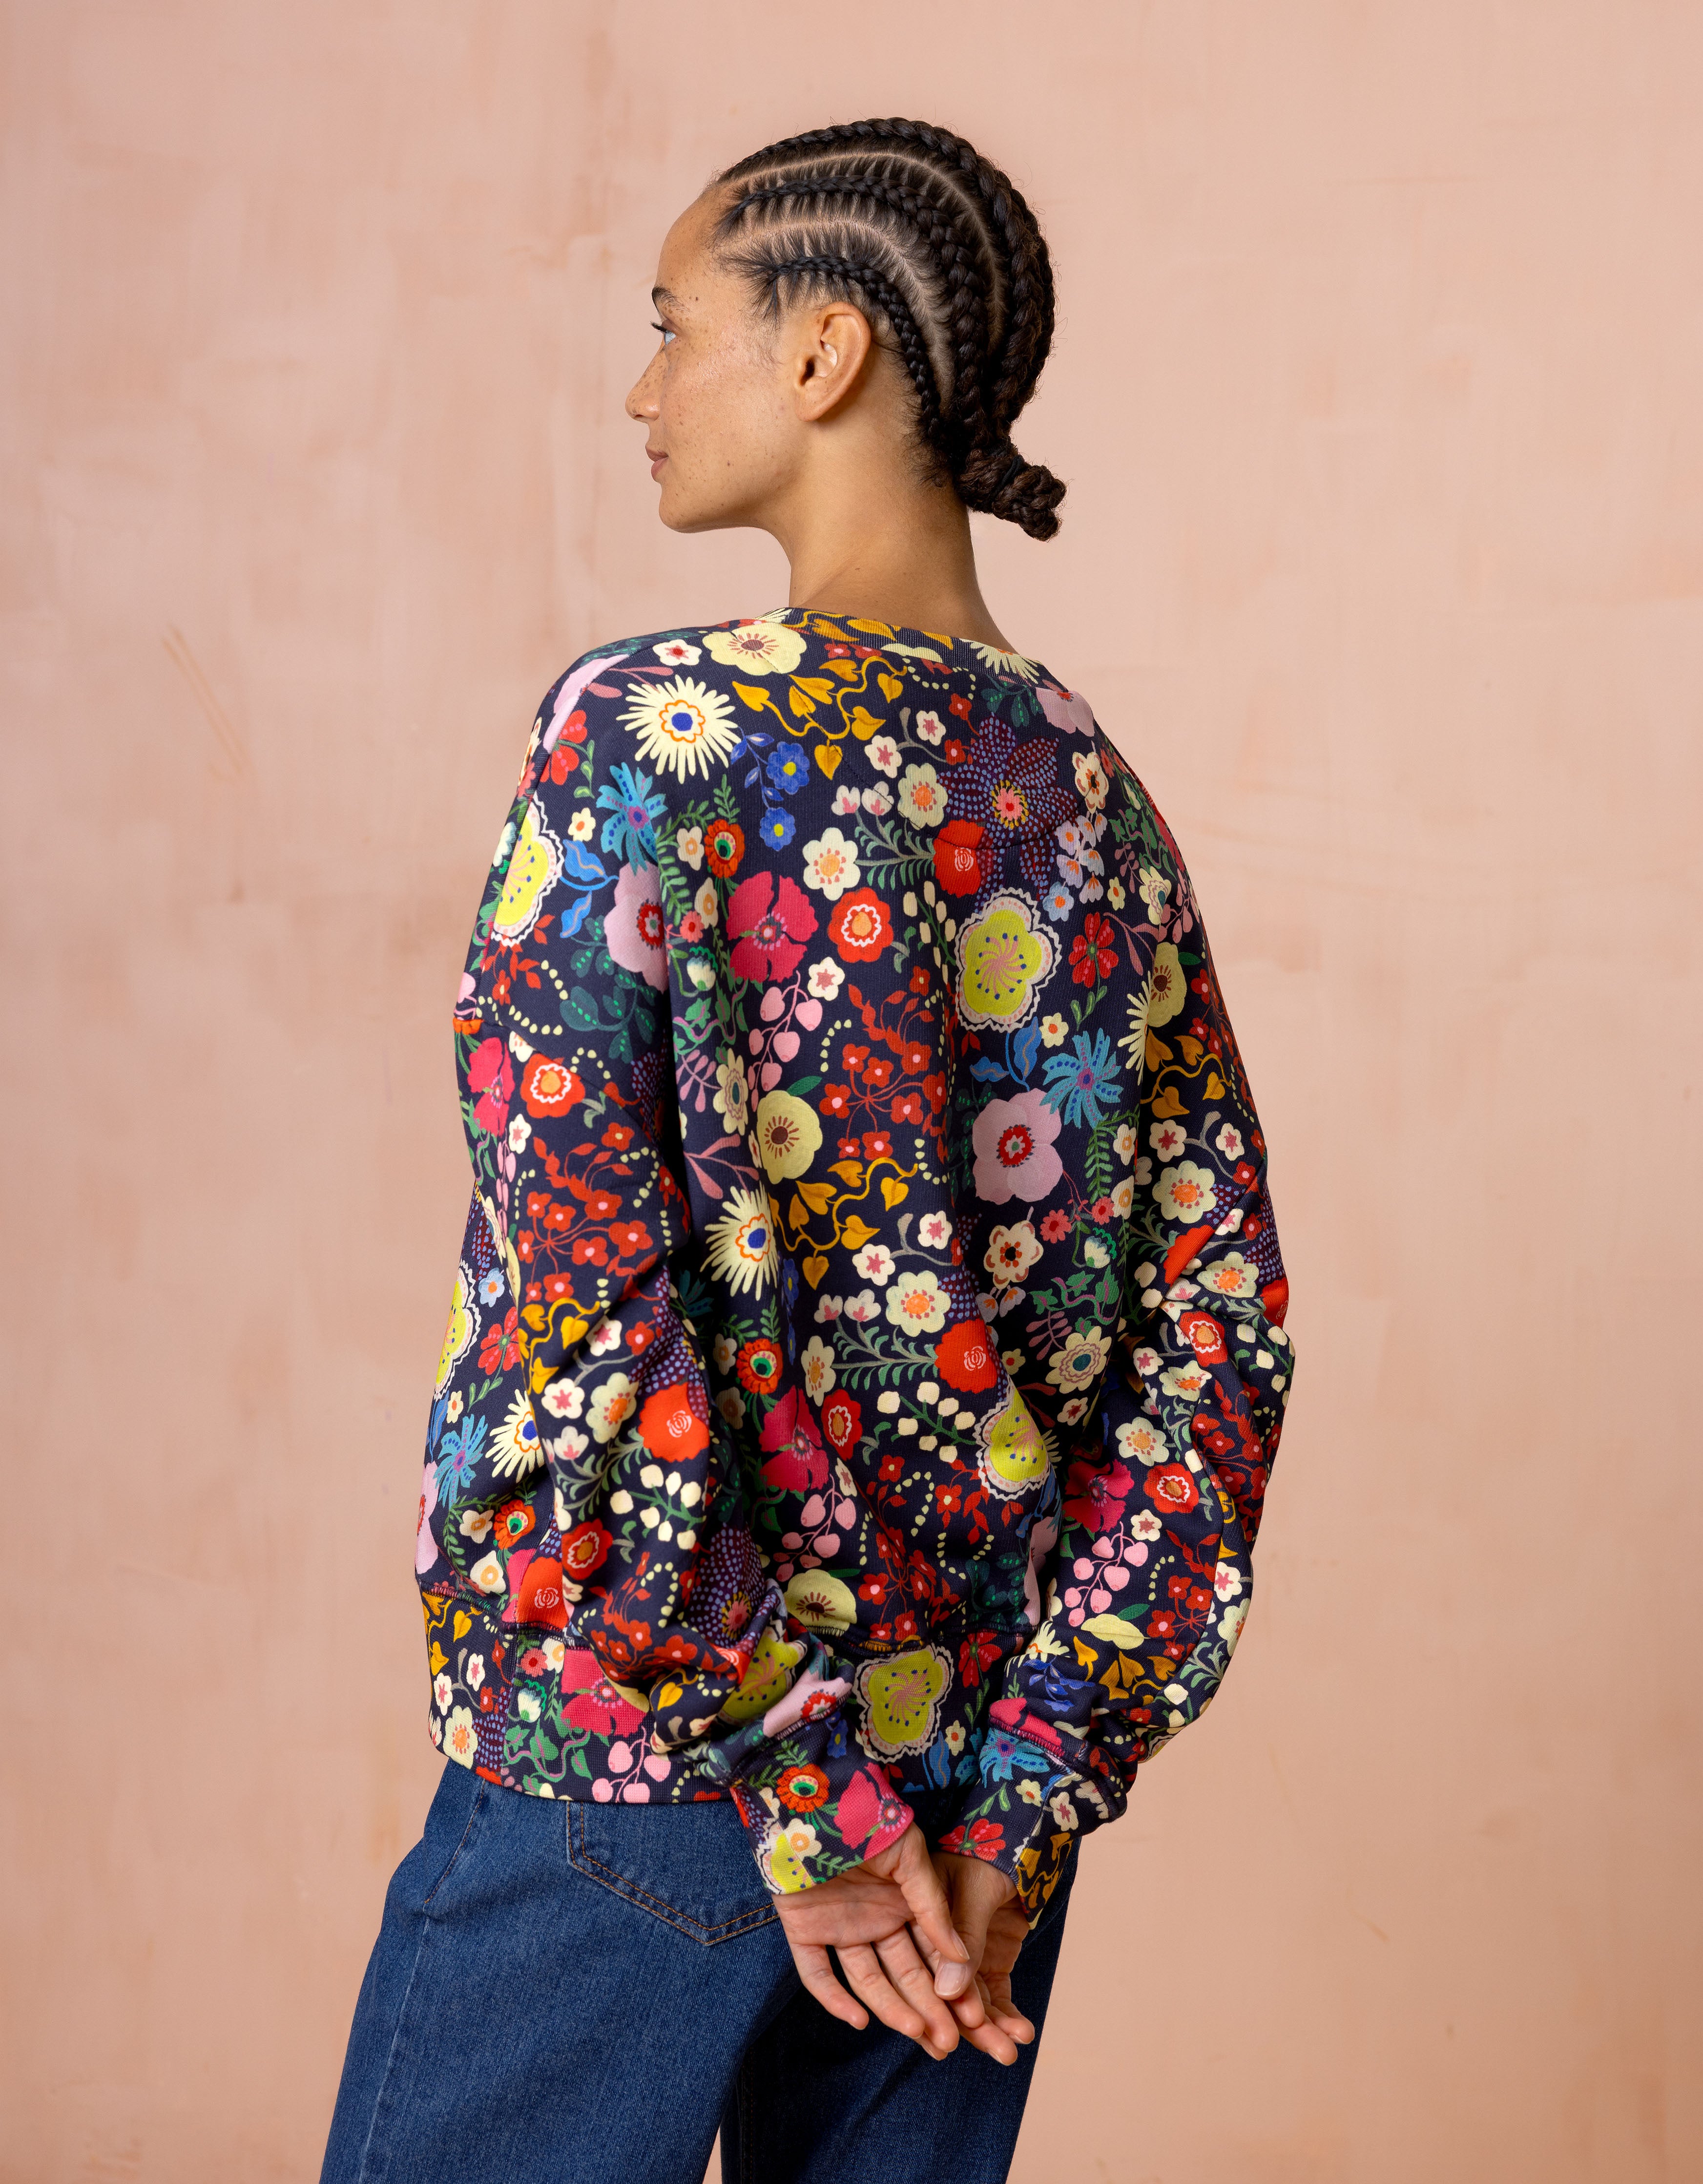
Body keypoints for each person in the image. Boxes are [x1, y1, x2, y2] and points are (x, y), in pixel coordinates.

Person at [320, 116, 1293, 2184]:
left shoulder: (649, 732)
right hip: (963, 1807)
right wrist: (1025, 1792)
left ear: (825, 350)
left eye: (675, 327)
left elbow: (584, 1309)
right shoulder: (1091, 802)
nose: (643, 387)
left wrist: (795, 1783)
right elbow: (1212, 1340)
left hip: (654, 1752)